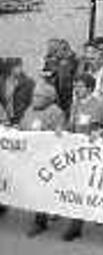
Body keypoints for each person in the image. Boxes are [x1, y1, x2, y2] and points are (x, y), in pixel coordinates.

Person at [61, 74, 103, 241]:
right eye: (75, 86)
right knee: (78, 188)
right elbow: (72, 126)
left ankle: (77, 225)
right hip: (77, 154)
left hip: (94, 155)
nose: (76, 90)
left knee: (88, 188)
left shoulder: (100, 105)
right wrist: (62, 131)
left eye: (80, 87)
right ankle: (77, 223)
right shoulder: (76, 104)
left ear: (90, 88)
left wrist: (100, 132)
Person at [21, 83, 66, 237]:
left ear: (48, 99)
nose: (34, 98)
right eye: (34, 95)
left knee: (43, 189)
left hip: (46, 160)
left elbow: (60, 136)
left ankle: (40, 222)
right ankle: (50, 211)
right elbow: (22, 129)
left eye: (38, 96)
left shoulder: (55, 112)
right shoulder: (29, 110)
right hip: (31, 157)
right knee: (35, 189)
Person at [1, 57, 34, 126]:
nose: (17, 69)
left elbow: (30, 103)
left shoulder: (28, 83)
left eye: (18, 66)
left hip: (20, 120)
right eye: (13, 67)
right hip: (5, 120)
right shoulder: (3, 81)